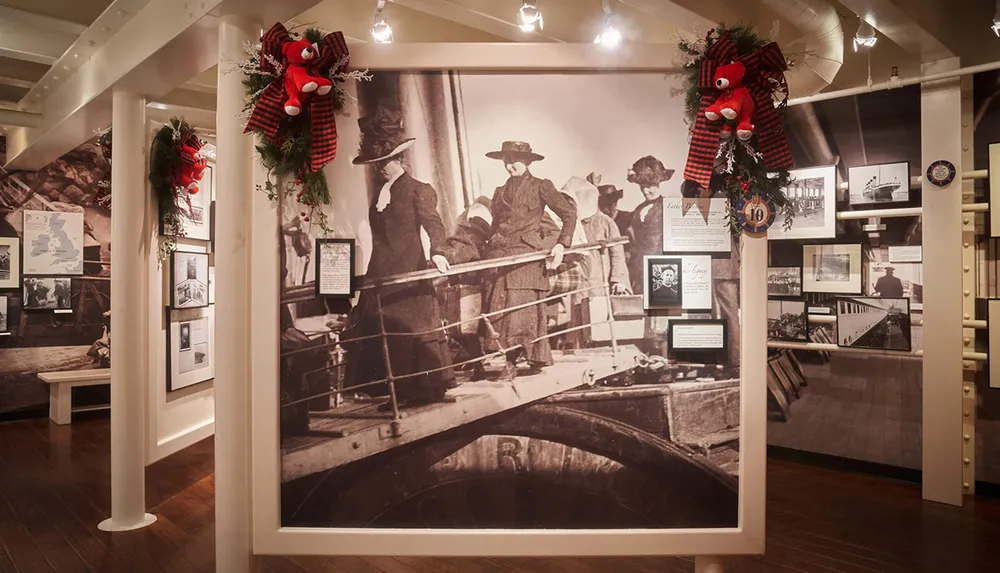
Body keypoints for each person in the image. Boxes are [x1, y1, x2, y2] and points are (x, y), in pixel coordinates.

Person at [432, 141, 577, 378]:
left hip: (526, 259)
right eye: (506, 161)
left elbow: (568, 214)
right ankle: (498, 359)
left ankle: (512, 363)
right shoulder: (499, 191)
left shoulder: (542, 186)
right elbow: (496, 226)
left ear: (528, 162)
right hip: (499, 257)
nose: (510, 165)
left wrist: (562, 244)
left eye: (515, 160)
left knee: (520, 313)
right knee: (498, 312)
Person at [344, 105, 454, 409]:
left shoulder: (419, 190)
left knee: (410, 333)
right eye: (377, 163)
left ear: (399, 158)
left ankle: (418, 391)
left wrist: (439, 252)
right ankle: (396, 392)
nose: (380, 167)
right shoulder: (380, 192)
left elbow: (434, 223)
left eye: (385, 161)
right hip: (380, 273)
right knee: (384, 333)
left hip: (408, 274)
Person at [623, 156, 675, 295]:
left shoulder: (670, 207)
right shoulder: (637, 210)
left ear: (658, 184)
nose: (645, 191)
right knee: (642, 309)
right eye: (642, 187)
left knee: (662, 309)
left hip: (663, 267)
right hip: (639, 268)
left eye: (649, 186)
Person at [587, 172, 632, 237]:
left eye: (612, 201)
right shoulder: (597, 222)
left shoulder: (628, 218)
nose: (609, 206)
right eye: (604, 203)